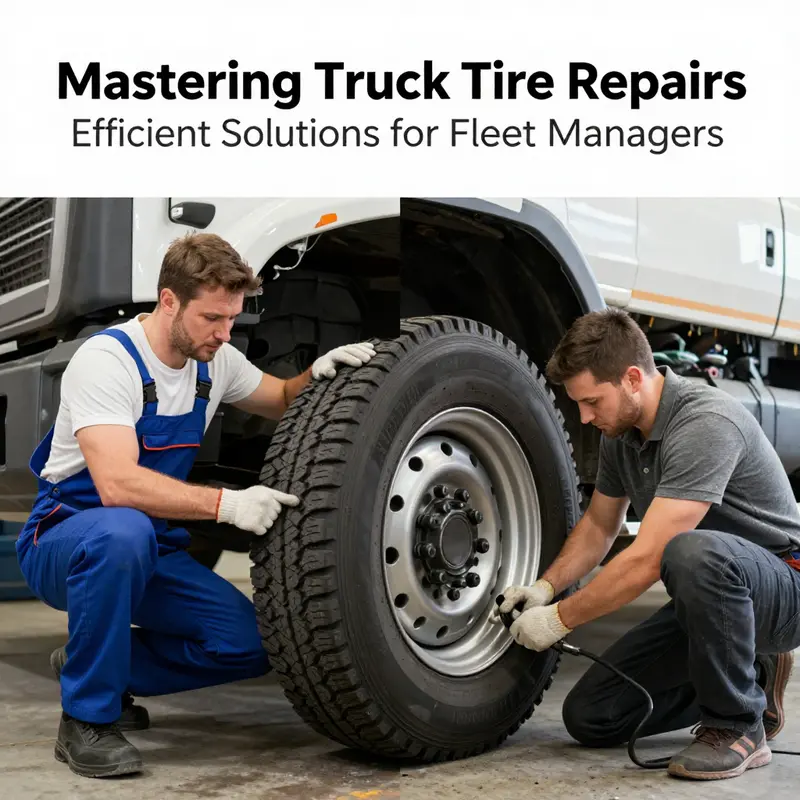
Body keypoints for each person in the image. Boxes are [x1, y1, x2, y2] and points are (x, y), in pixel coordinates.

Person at [15, 232, 376, 779]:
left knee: (250, 644)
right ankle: (86, 719)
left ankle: (97, 664)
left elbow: (279, 398)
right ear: (169, 301)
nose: (225, 333)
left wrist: (320, 377)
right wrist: (227, 505)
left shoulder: (217, 361)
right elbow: (115, 486)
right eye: (212, 318)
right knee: (123, 531)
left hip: (150, 544)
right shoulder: (109, 360)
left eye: (232, 318)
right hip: (65, 538)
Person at [492, 307, 800, 781]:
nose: (584, 416)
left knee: (687, 551)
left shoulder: (705, 422)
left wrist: (558, 621)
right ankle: (754, 678)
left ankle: (738, 726)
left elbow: (652, 557)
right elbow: (598, 527)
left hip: (784, 586)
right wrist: (545, 589)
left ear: (633, 378)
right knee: (593, 715)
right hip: (715, 596)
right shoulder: (623, 434)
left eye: (592, 401)